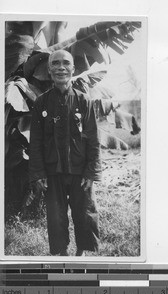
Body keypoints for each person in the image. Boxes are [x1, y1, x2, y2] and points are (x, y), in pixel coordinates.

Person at [29, 49, 102, 256]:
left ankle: (81, 253)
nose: (61, 67)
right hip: (52, 172)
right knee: (55, 216)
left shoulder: (84, 101)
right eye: (56, 64)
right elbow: (35, 142)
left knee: (84, 213)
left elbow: (94, 140)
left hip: (80, 171)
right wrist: (38, 173)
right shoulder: (41, 103)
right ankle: (62, 255)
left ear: (73, 69)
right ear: (49, 70)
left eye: (66, 63)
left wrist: (91, 173)